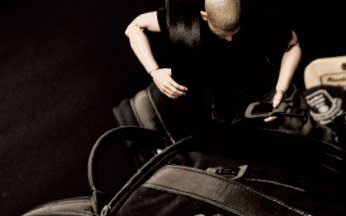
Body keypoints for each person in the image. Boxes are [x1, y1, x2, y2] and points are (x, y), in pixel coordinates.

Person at [124, 0, 301, 130]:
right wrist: (154, 71)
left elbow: (293, 46)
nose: (230, 39)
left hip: (259, 90)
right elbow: (134, 27)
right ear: (204, 16)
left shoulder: (257, 16)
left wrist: (281, 88)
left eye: (234, 31)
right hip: (215, 104)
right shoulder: (184, 18)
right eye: (223, 34)